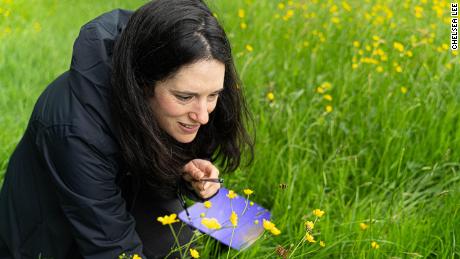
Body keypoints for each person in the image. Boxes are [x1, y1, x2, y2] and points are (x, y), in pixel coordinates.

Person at [0, 0, 254, 258]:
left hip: (131, 185)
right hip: (57, 235)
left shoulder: (160, 52)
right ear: (143, 84)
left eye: (213, 95)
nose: (203, 116)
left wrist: (186, 172)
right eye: (185, 97)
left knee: (247, 233)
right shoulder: (75, 130)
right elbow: (112, 248)